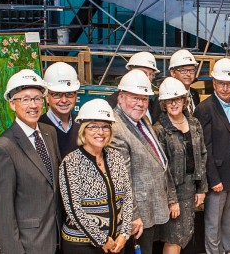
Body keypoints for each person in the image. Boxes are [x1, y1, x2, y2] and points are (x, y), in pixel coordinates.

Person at [0, 69, 62, 254]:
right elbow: (3, 214)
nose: (33, 105)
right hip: (30, 245)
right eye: (25, 99)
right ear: (12, 104)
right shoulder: (4, 148)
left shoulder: (48, 133)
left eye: (37, 98)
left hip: (56, 237)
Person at [108, 70, 177, 254]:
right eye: (134, 98)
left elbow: (159, 160)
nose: (140, 103)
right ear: (121, 97)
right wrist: (133, 214)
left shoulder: (142, 119)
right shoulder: (116, 128)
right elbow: (123, 180)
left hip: (152, 208)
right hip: (138, 217)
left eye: (144, 99)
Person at [59, 99, 132, 253]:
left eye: (105, 127)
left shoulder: (116, 157)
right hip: (81, 245)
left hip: (116, 243)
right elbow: (73, 209)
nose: (100, 132)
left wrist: (124, 234)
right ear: (83, 129)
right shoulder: (71, 162)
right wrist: (101, 240)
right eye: (93, 126)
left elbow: (127, 197)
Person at [194, 58, 230, 254]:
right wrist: (213, 178)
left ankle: (225, 249)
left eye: (229, 83)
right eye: (221, 83)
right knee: (213, 221)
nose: (225, 88)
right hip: (217, 176)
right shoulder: (205, 109)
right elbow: (204, 148)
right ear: (214, 83)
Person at [152, 77, 208, 254]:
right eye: (169, 100)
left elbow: (202, 155)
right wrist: (172, 200)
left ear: (184, 100)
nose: (174, 103)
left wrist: (201, 188)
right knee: (174, 238)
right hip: (174, 192)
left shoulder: (194, 123)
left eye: (177, 99)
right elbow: (163, 169)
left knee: (185, 235)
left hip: (191, 189)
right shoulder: (160, 129)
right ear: (164, 103)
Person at [40, 61, 81, 156]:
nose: (64, 100)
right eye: (57, 95)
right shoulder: (38, 128)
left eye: (69, 94)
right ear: (46, 96)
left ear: (76, 95)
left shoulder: (82, 125)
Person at [106, 51, 161, 121]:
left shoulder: (149, 103)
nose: (148, 77)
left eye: (151, 74)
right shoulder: (112, 102)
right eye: (143, 72)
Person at [167, 49, 202, 114]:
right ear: (172, 73)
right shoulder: (166, 96)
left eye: (191, 70)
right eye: (183, 70)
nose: (188, 74)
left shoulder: (194, 93)